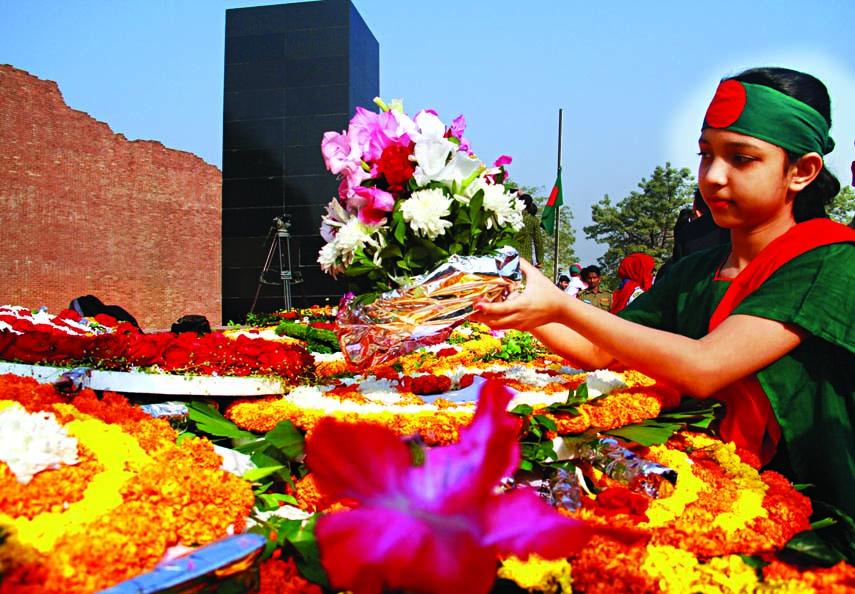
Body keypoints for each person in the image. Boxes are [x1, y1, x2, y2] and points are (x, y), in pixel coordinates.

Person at [474, 67, 855, 517]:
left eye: (742, 158)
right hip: (694, 490)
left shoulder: (830, 261)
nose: (712, 177)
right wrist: (512, 294)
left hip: (803, 511)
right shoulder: (695, 270)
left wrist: (559, 305)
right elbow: (598, 349)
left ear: (802, 171)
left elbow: (705, 367)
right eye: (706, 154)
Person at [517, 193, 544, 268]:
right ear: (530, 206)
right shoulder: (533, 220)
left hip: (509, 258)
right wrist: (540, 260)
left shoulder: (511, 216)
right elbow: (538, 241)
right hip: (526, 260)